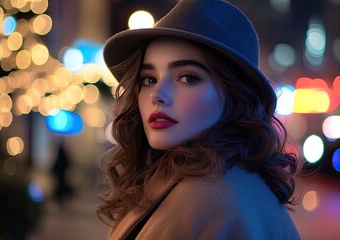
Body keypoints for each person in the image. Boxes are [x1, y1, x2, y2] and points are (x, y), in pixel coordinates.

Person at [97, 0, 303, 239]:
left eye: (187, 78)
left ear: (235, 94)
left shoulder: (211, 201)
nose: (157, 95)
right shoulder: (209, 180)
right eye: (149, 79)